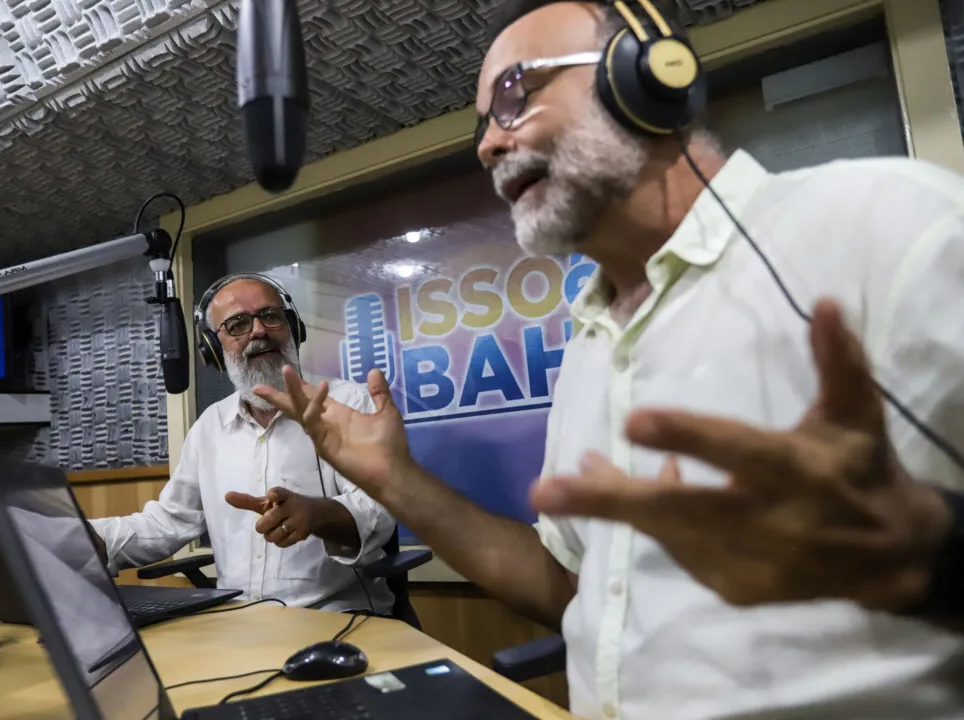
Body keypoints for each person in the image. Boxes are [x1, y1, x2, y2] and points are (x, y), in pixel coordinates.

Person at [253, 1, 964, 718]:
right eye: (480, 126)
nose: (487, 146)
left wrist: (935, 554)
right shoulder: (592, 341)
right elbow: (568, 586)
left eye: (512, 96)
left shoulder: (896, 223)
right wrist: (395, 480)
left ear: (647, 77)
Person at [89, 274, 395, 614]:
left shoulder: (347, 403)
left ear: (292, 327)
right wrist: (91, 537)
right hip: (237, 623)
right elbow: (170, 521)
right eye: (237, 324)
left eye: (271, 316)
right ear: (212, 350)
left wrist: (316, 514)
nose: (259, 330)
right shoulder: (209, 426)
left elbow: (379, 512)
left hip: (336, 616)